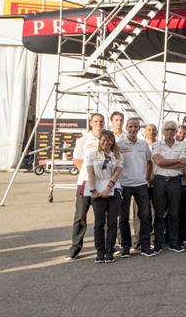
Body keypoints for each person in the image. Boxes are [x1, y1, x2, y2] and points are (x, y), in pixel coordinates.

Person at [65, 112, 104, 261]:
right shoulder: (82, 140)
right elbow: (78, 160)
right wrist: (91, 174)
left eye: (101, 121)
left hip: (101, 183)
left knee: (101, 217)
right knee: (80, 216)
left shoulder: (107, 139)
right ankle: (75, 248)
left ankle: (103, 246)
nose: (98, 124)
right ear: (90, 123)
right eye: (95, 121)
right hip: (85, 182)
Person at [116, 118, 154, 258]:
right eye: (130, 126)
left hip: (141, 185)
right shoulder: (119, 145)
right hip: (124, 185)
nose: (133, 129)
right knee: (124, 217)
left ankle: (144, 246)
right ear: (126, 127)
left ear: (139, 129)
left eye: (136, 127)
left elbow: (149, 162)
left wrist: (147, 178)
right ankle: (126, 247)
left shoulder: (143, 144)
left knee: (144, 216)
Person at [151, 120, 186, 253]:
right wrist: (177, 160)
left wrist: (167, 163)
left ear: (175, 131)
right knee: (159, 213)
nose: (169, 132)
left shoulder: (181, 146)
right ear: (163, 131)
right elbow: (159, 161)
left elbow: (184, 164)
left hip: (175, 181)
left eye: (172, 130)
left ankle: (174, 242)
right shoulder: (156, 145)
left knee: (175, 213)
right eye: (167, 129)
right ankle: (158, 242)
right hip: (160, 180)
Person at [85, 131, 124, 263]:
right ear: (99, 141)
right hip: (96, 191)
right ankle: (100, 251)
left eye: (108, 140)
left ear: (112, 142)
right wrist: (93, 190)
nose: (105, 143)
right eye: (103, 140)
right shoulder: (92, 155)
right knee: (99, 223)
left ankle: (109, 250)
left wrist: (108, 188)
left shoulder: (117, 156)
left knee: (112, 222)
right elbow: (90, 173)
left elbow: (117, 173)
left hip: (113, 190)